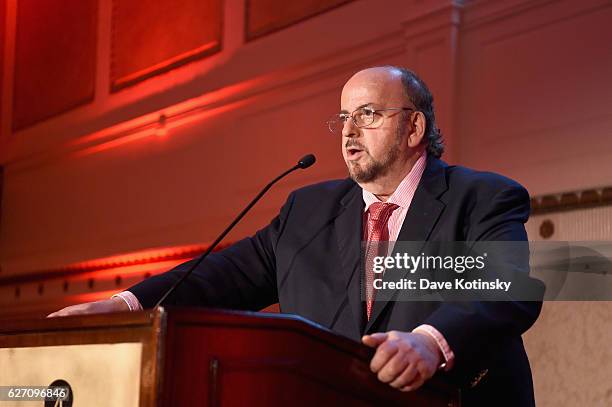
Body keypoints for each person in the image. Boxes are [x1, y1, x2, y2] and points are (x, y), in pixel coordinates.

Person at [49, 66, 542, 406]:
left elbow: (503, 289)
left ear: (414, 127)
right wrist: (124, 305)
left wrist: (430, 343)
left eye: (367, 114)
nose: (349, 130)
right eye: (343, 118)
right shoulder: (309, 210)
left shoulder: (482, 197)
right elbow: (226, 274)